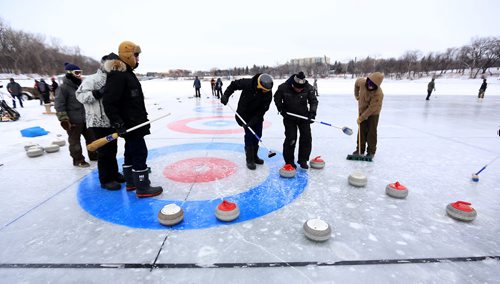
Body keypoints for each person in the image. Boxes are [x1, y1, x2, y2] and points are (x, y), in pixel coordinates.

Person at [102, 40, 163, 198]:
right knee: (140, 152)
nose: (138, 58)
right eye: (136, 55)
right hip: (130, 124)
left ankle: (130, 182)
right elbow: (109, 102)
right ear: (128, 55)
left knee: (130, 151)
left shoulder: (126, 73)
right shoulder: (118, 75)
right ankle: (142, 187)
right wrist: (118, 123)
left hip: (134, 123)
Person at [76, 54, 126, 190]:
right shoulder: (91, 79)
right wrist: (96, 93)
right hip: (97, 121)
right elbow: (79, 95)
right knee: (104, 151)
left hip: (111, 121)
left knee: (112, 149)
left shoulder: (115, 79)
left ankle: (114, 173)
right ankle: (106, 179)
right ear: (104, 64)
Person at [220, 73, 273, 170]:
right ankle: (249, 159)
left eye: (267, 91)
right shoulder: (248, 83)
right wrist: (226, 95)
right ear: (258, 85)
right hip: (244, 115)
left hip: (257, 117)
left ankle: (255, 156)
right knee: (249, 136)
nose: (266, 92)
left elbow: (262, 110)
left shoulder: (268, 93)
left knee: (258, 135)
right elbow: (234, 85)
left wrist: (253, 122)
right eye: (264, 90)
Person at [55, 62, 98, 168]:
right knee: (75, 142)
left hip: (86, 119)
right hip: (73, 121)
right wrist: (64, 120)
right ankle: (78, 160)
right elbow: (59, 105)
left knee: (92, 138)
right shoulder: (63, 88)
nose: (79, 75)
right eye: (77, 73)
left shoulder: (82, 85)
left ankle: (93, 155)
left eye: (80, 73)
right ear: (69, 73)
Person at [274, 71, 318, 169]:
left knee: (306, 138)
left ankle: (303, 160)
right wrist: (281, 109)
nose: (299, 90)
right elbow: (277, 98)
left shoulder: (309, 88)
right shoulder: (283, 87)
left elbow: (313, 101)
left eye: (301, 88)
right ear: (293, 84)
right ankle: (289, 161)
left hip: (304, 116)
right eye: (297, 88)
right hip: (289, 117)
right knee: (291, 138)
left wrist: (312, 113)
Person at [353, 72, 384, 159]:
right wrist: (356, 95)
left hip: (373, 112)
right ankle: (360, 149)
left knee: (371, 132)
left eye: (373, 85)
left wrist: (362, 118)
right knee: (361, 130)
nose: (370, 85)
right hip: (362, 110)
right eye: (369, 83)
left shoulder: (378, 93)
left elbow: (372, 108)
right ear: (368, 80)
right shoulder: (362, 82)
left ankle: (371, 151)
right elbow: (356, 83)